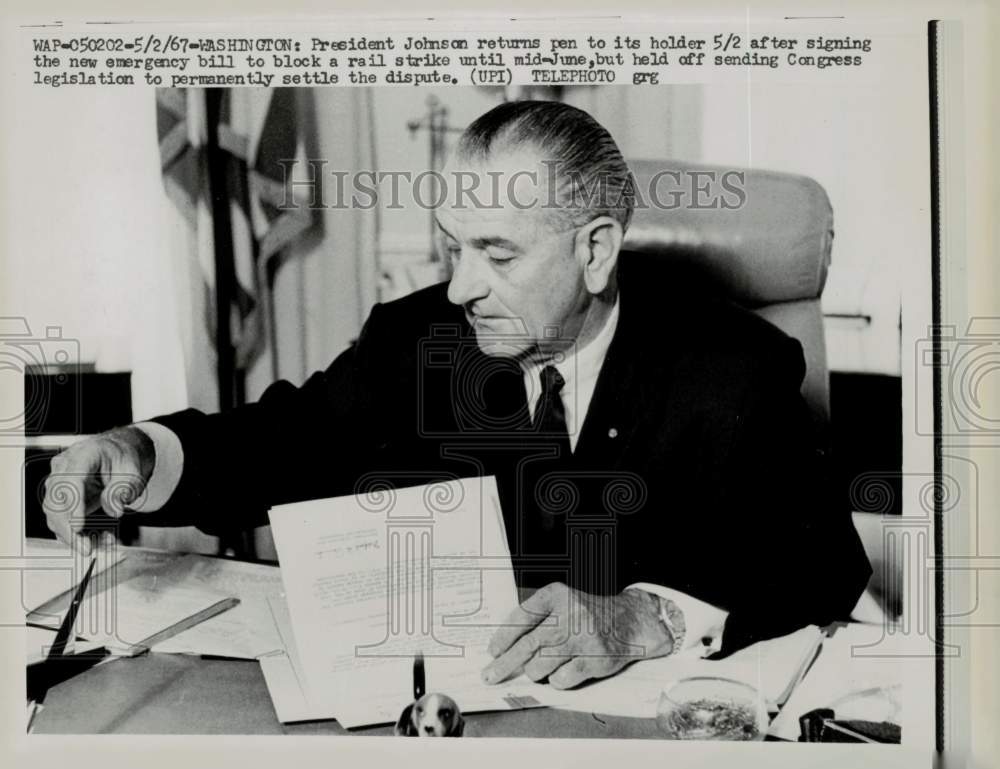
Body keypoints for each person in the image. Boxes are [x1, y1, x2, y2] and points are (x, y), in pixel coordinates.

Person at [42, 100, 870, 690]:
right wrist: (139, 450)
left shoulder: (731, 364)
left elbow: (822, 566)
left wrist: (645, 616)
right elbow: (285, 441)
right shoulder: (422, 337)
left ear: (596, 250)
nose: (463, 288)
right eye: (454, 248)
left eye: (499, 255)